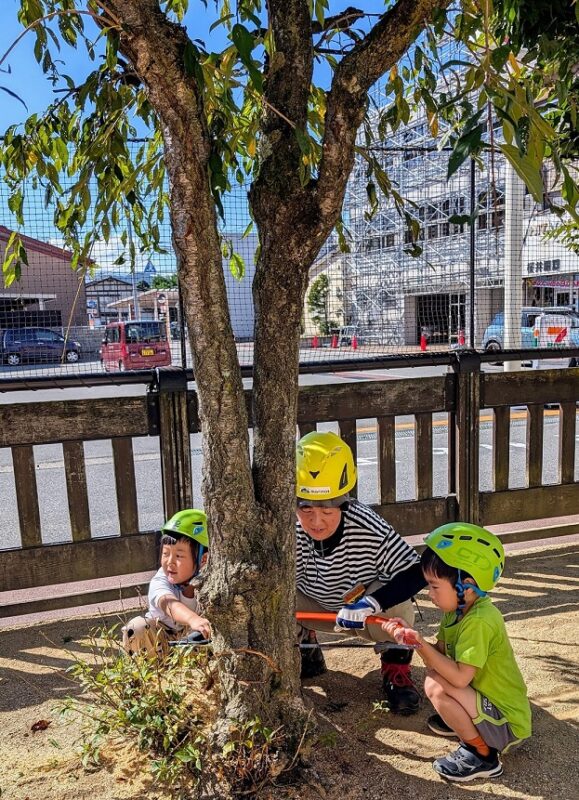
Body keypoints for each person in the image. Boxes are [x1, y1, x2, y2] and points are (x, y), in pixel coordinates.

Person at [382, 523, 532, 782]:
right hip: (485, 703)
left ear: (468, 586)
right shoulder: (458, 611)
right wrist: (409, 638)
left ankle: (482, 754)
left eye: (435, 586)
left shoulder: (479, 621)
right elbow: (439, 654)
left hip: (507, 723)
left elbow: (460, 678)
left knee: (436, 685)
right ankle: (466, 725)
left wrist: (420, 645)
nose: (429, 594)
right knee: (435, 675)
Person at [295, 430, 427, 714]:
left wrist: (371, 603)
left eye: (328, 511)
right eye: (306, 509)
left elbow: (416, 572)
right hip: (310, 606)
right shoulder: (282, 525)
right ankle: (303, 645)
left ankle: (396, 669)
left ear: (344, 501)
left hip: (363, 612)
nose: (316, 522)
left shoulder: (368, 525)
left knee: (398, 601)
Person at [121, 508, 211, 655]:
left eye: (179, 556)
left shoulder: (214, 579)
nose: (170, 562)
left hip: (199, 641)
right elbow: (167, 603)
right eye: (165, 554)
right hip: (163, 642)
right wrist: (192, 618)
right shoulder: (161, 579)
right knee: (136, 627)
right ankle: (147, 671)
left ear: (203, 559)